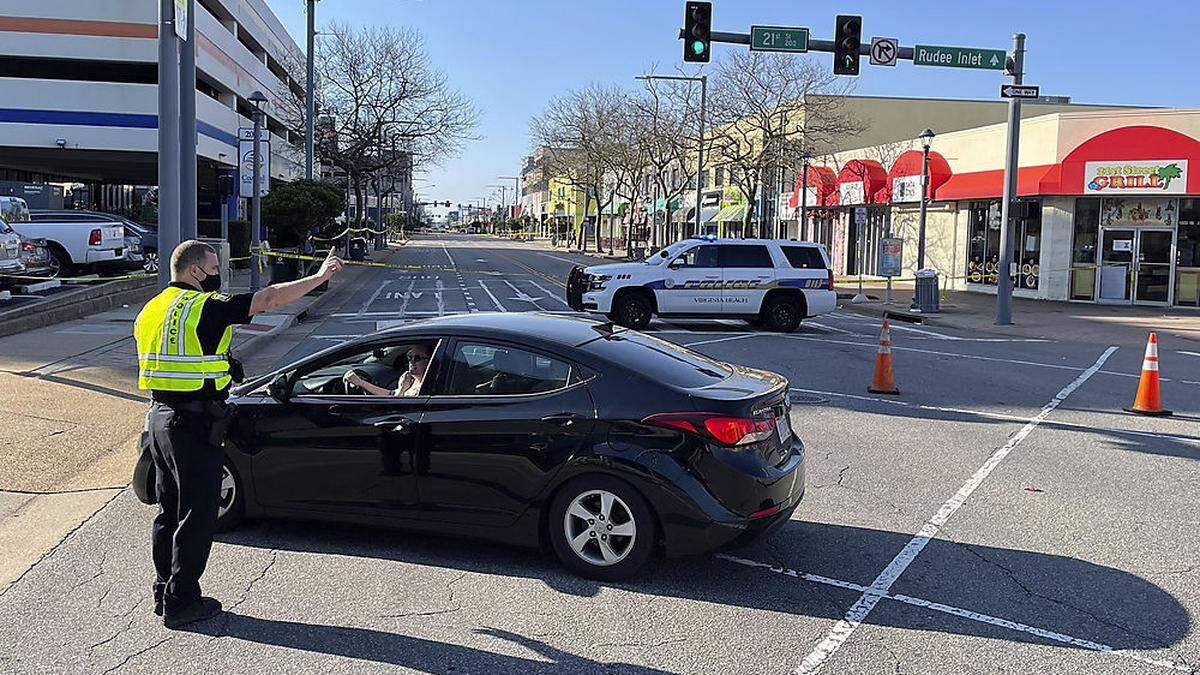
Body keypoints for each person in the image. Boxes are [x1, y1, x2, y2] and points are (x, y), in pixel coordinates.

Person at [134, 241, 343, 629]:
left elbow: (179, 358)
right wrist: (319, 277)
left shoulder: (152, 309)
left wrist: (224, 366)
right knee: (197, 515)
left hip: (159, 420)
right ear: (195, 271)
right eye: (214, 267)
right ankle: (182, 602)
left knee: (168, 512)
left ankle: (164, 591)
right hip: (194, 425)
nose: (219, 273)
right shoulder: (203, 307)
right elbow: (267, 299)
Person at [342, 343, 432, 397]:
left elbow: (399, 407)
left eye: (417, 358)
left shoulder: (430, 385)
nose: (412, 362)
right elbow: (390, 395)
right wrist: (361, 383)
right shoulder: (410, 381)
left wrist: (402, 390)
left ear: (429, 361)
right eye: (409, 357)